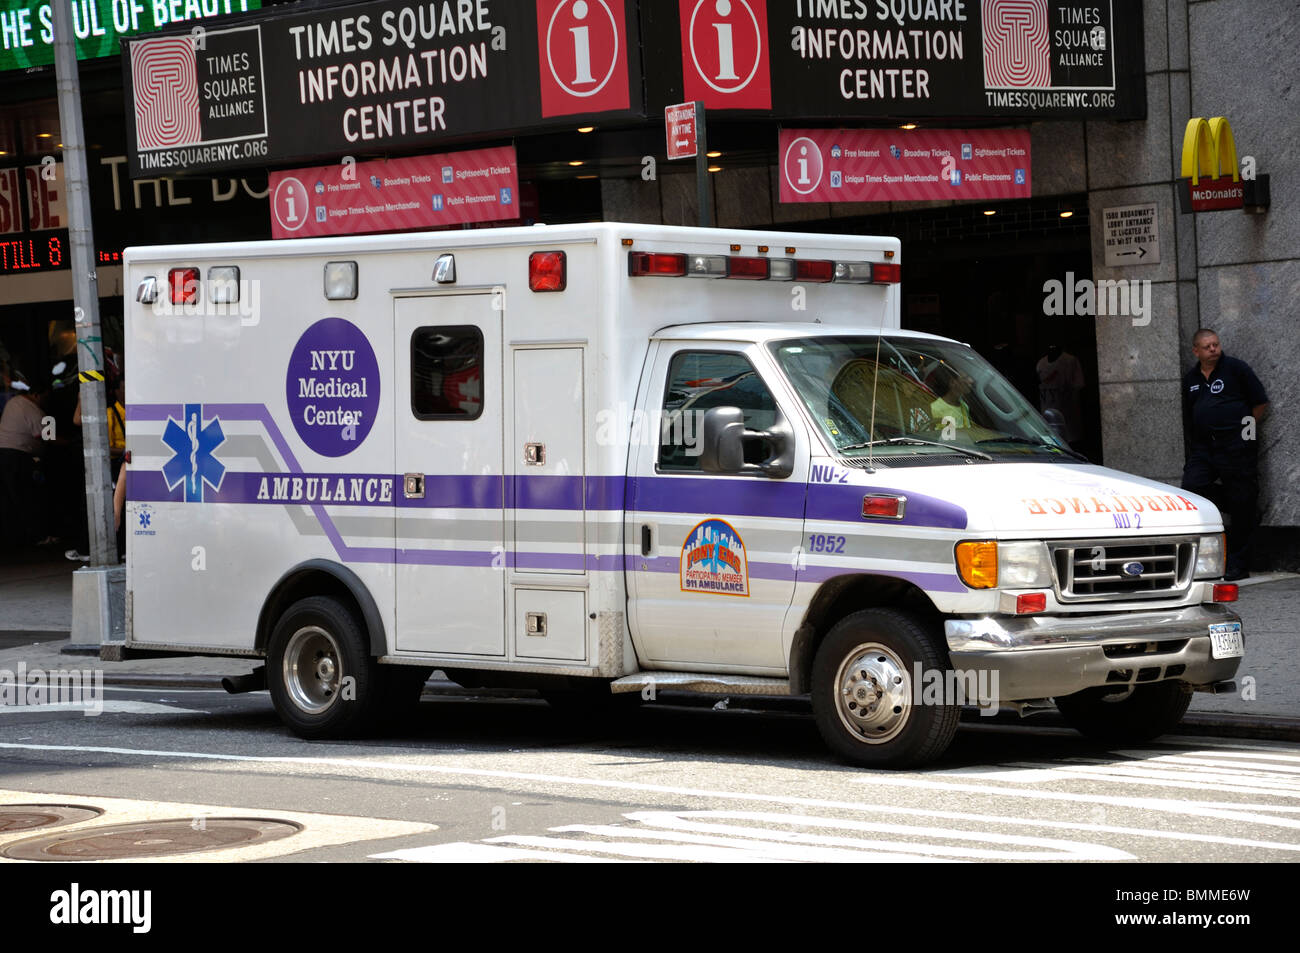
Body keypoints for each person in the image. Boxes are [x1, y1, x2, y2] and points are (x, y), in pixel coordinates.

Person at [1181, 329, 1269, 581]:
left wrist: (1247, 434)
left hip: (1236, 445)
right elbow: (1190, 413)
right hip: (1204, 448)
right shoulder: (1191, 379)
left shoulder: (1236, 369)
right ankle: (1244, 507)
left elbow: (1260, 402)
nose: (1213, 349)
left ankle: (1238, 565)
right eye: (1207, 346)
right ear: (1196, 351)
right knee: (1192, 488)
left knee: (1242, 499)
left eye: (1215, 345)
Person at [1036, 343, 1086, 445]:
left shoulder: (1070, 361)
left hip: (1068, 415)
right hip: (1047, 411)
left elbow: (1078, 385)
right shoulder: (1040, 363)